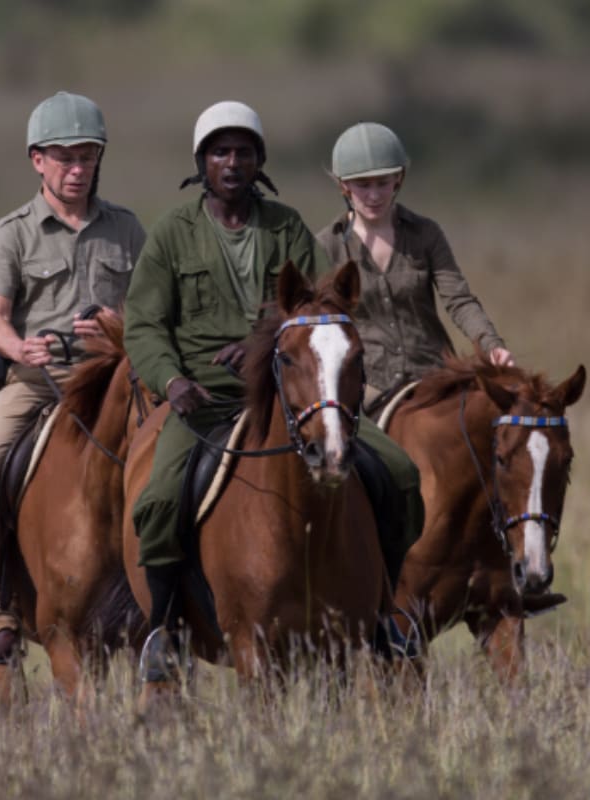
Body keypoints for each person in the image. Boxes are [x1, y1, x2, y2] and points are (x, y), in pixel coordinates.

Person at [123, 102, 423, 669]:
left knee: (401, 476)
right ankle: (162, 629)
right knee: (159, 497)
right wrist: (172, 380)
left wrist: (265, 342)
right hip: (206, 400)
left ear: (260, 161)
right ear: (201, 163)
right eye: (219, 152)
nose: (231, 162)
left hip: (295, 392)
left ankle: (383, 612)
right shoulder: (171, 233)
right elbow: (142, 323)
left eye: (243, 152)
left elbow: (322, 304)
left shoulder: (286, 226)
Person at [0, 92, 146, 662]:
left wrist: (120, 325)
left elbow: (151, 312)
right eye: (64, 156)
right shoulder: (11, 232)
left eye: (87, 156)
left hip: (114, 381)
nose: (76, 168)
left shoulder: (127, 229)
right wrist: (20, 347)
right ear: (37, 159)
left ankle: (174, 602)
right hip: (37, 384)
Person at [315, 122, 514, 410]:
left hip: (435, 373)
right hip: (368, 383)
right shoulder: (327, 246)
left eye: (383, 182)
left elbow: (459, 301)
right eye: (363, 185)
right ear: (343, 185)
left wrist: (492, 346)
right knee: (350, 447)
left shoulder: (426, 233)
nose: (374, 195)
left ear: (399, 179)